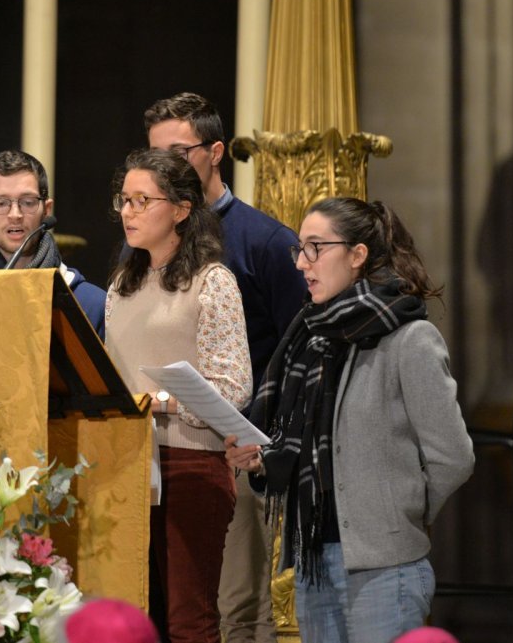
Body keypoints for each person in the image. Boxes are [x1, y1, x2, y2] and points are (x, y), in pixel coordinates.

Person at [225, 197, 474, 643]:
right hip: (315, 562)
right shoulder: (311, 337)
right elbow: (305, 448)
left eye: (316, 248)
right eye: (299, 249)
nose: (303, 263)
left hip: (385, 565)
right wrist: (263, 460)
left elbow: (453, 457)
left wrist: (400, 511)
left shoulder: (410, 338)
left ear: (357, 255)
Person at [145, 92, 307, 642]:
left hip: (235, 454)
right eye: (153, 154)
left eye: (178, 151)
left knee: (233, 609)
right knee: (171, 607)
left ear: (215, 152)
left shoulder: (264, 242)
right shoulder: (146, 247)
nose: (163, 167)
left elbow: (299, 353)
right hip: (156, 458)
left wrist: (266, 442)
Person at [104, 148, 252, 643]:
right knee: (134, 620)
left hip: (190, 467)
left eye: (142, 200)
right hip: (126, 466)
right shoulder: (121, 287)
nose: (128, 211)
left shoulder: (212, 282)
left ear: (183, 209)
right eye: (124, 200)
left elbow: (234, 387)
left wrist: (161, 401)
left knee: (189, 622)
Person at [0, 150, 106, 338]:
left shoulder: (90, 304)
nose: (15, 214)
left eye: (28, 202)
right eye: (1, 203)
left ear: (47, 209)